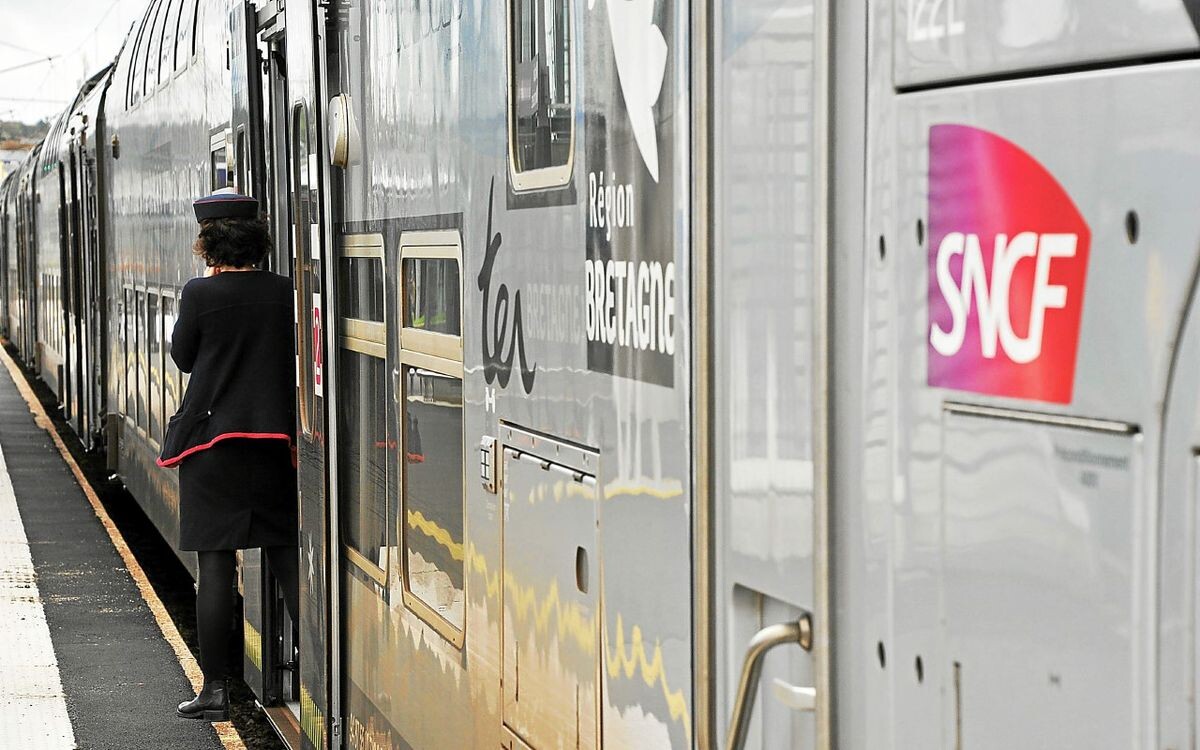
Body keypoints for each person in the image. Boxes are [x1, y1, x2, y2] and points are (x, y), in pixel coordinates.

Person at [157, 189, 299, 722]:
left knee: (216, 566)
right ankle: (312, 666)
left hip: (212, 448)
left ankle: (216, 689)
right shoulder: (285, 291)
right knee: (285, 554)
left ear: (208, 245)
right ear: (259, 241)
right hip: (273, 445)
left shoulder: (199, 294)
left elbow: (184, 357)